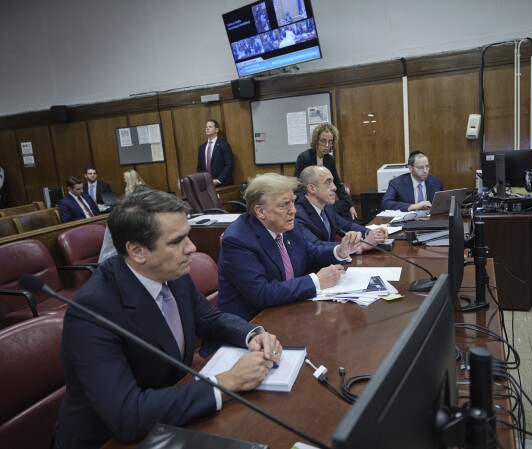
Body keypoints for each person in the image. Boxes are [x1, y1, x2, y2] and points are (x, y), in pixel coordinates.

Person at [54, 189, 282, 449]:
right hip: (110, 440)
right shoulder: (92, 312)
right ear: (138, 251)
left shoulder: (172, 273)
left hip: (172, 414)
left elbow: (209, 318)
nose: (192, 248)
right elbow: (127, 416)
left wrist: (251, 334)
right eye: (177, 241)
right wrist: (227, 382)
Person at [217, 172, 361, 322]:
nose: (293, 210)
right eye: (284, 205)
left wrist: (341, 250)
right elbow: (262, 293)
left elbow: (310, 254)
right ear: (260, 211)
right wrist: (316, 281)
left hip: (289, 311)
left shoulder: (287, 226)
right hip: (253, 326)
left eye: (293, 202)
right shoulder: (237, 240)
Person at [296, 165, 387, 252]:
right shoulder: (298, 214)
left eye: (333, 182)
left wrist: (371, 233)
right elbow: (316, 245)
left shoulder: (327, 206)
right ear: (312, 188)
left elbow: (347, 226)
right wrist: (361, 247)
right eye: (328, 182)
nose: (334, 188)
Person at [294, 123, 357, 220]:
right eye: (323, 141)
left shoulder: (329, 159)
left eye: (330, 142)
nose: (327, 145)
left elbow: (337, 183)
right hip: (311, 199)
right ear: (316, 141)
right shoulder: (304, 157)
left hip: (325, 200)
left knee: (346, 210)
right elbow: (297, 185)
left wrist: (350, 205)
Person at [196, 119, 234, 187]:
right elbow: (199, 167)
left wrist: (218, 180)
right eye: (206, 127)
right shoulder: (202, 147)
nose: (207, 128)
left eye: (210, 127)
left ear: (216, 130)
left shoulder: (224, 145)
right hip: (206, 185)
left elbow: (229, 165)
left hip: (223, 184)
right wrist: (204, 180)